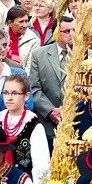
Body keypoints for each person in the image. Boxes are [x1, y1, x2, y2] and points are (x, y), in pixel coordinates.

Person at [0, 74, 49, 184]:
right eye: (6, 93)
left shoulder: (33, 125)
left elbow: (41, 165)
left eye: (15, 93)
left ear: (26, 96)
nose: (9, 98)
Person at [29, 16, 74, 152]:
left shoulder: (88, 55)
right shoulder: (39, 55)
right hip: (48, 123)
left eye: (74, 30)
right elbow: (35, 88)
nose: (71, 34)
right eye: (66, 31)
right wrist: (50, 111)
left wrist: (69, 111)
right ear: (55, 33)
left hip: (76, 122)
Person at [5, 5, 40, 73]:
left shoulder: (34, 40)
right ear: (10, 23)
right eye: (21, 22)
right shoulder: (1, 36)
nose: (25, 25)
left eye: (26, 21)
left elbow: (30, 68)